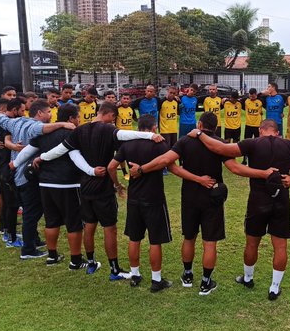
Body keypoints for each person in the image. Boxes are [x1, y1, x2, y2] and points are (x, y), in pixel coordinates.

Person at [190, 115, 290, 300]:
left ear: (260, 131)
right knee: (280, 246)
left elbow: (221, 148)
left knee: (252, 242)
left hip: (257, 201)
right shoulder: (289, 144)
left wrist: (199, 133)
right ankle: (274, 287)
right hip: (281, 200)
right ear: (277, 133)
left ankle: (248, 278)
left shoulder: (253, 143)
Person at [128, 112, 263, 295]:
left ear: (199, 125)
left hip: (189, 197)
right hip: (212, 196)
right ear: (215, 127)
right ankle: (206, 282)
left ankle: (188, 275)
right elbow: (235, 168)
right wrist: (263, 174)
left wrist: (141, 169)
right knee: (209, 243)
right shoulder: (220, 143)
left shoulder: (185, 141)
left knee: (189, 237)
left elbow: (166, 161)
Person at [35, 102, 163, 278]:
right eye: (113, 118)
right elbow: (126, 134)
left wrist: (42, 157)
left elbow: (60, 150)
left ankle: (91, 262)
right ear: (110, 115)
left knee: (89, 226)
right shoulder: (108, 130)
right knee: (109, 228)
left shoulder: (79, 131)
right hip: (103, 187)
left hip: (85, 186)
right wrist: (149, 136)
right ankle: (114, 269)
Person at [0, 99, 76, 260]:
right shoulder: (34, 127)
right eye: (48, 112)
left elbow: (0, 118)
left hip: (16, 175)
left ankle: (34, 240)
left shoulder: (16, 122)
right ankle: (28, 249)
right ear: (39, 113)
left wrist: (7, 141)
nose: (50, 115)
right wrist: (62, 124)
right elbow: (43, 128)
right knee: (31, 213)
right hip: (27, 176)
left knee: (30, 210)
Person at [13, 104, 86, 268]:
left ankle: (52, 256)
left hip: (45, 183)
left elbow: (27, 152)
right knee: (74, 223)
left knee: (51, 221)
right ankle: (75, 260)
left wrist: (14, 163)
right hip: (69, 183)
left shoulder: (44, 133)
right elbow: (78, 157)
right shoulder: (73, 133)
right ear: (71, 118)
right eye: (78, 117)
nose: (79, 120)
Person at [106, 115, 173, 292]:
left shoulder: (127, 145)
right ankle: (156, 279)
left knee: (134, 238)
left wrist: (118, 185)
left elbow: (111, 167)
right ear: (154, 128)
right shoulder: (159, 144)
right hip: (154, 197)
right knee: (155, 240)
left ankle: (135, 275)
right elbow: (169, 163)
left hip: (134, 198)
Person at [0, 98, 21, 247]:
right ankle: (10, 236)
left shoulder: (0, 121)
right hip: (5, 167)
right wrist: (16, 147)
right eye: (22, 110)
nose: (23, 113)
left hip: (1, 166)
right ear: (13, 110)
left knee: (9, 201)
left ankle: (8, 231)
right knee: (10, 202)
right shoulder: (9, 123)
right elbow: (5, 141)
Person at [241, 88, 263, 164]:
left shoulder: (260, 101)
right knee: (246, 143)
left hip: (257, 126)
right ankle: (245, 160)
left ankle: (257, 159)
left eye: (253, 95)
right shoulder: (246, 101)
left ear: (256, 94)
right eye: (250, 95)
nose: (252, 97)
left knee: (258, 143)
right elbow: (237, 99)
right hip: (248, 125)